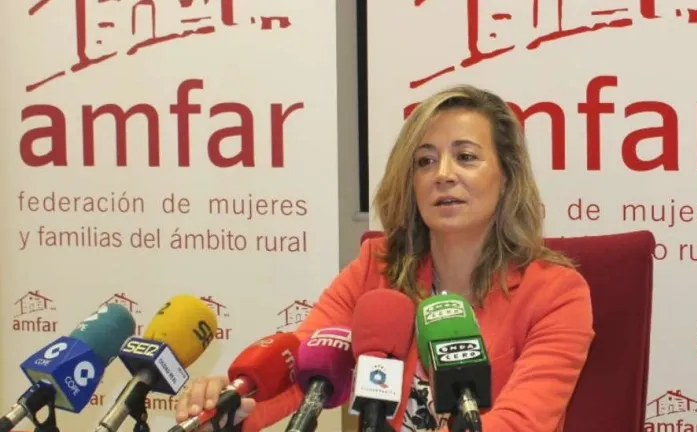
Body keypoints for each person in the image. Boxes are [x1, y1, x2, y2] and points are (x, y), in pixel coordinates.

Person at [174, 85, 595, 431]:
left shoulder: (557, 294)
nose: (443, 174)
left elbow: (521, 422)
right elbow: (309, 365)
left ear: (506, 177)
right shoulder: (376, 268)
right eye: (425, 161)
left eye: (466, 157)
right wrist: (236, 408)